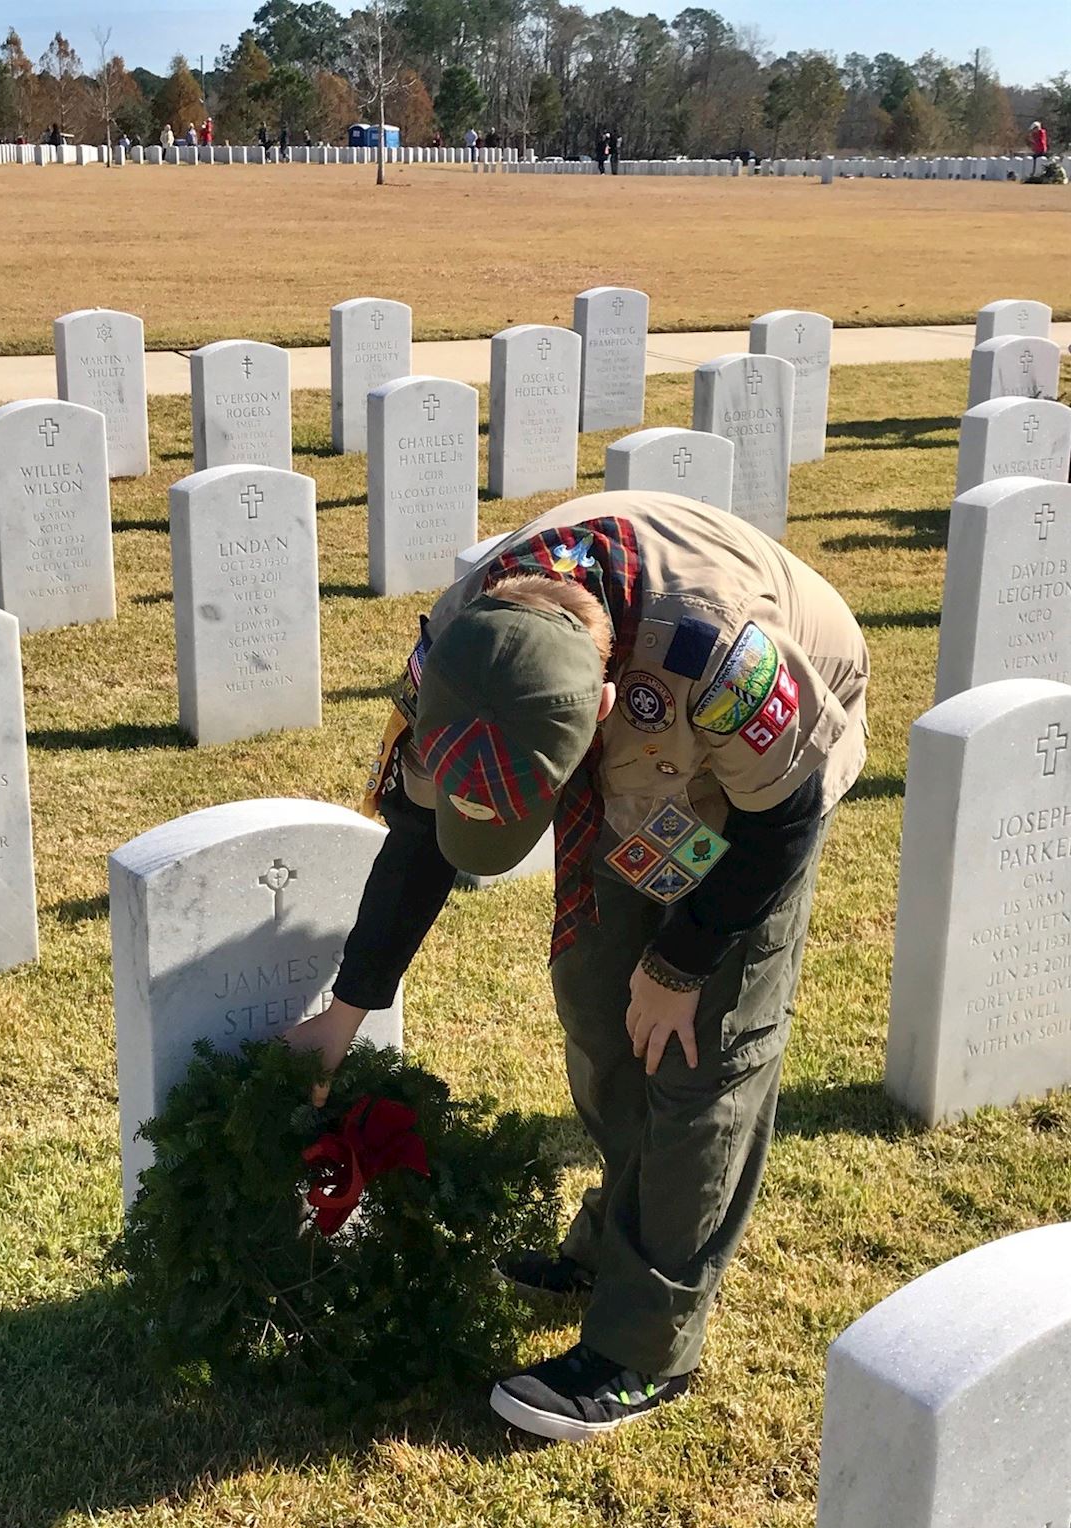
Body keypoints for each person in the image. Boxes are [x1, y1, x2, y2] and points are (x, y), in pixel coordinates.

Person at [286, 493, 870, 1443]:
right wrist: (346, 1010)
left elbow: (784, 819)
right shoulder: (456, 651)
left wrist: (683, 961)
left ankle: (646, 1346)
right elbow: (425, 835)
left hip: (748, 775)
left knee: (700, 1054)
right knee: (601, 1008)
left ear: (599, 712)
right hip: (631, 776)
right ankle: (615, 1240)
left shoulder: (722, 654)